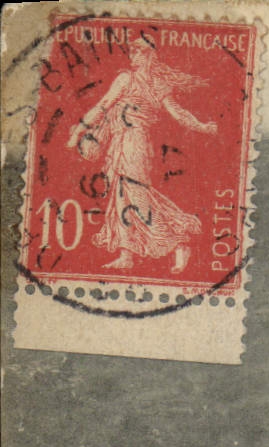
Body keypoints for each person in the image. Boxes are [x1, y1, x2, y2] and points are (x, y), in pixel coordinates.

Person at [65, 31, 217, 273]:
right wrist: (78, 132)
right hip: (119, 143)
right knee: (120, 197)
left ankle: (178, 244)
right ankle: (126, 254)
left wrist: (203, 126)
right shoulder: (125, 78)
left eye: (138, 51)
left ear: (149, 56)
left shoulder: (156, 84)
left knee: (137, 198)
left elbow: (178, 113)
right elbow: (103, 106)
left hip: (136, 142)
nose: (132, 56)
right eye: (132, 51)